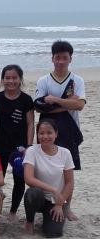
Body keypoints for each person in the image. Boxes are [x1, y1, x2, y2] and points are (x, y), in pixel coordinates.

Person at [35, 40, 86, 221]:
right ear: (52, 58)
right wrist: (67, 102)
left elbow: (79, 105)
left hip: (70, 130)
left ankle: (67, 207)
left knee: (67, 172)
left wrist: (54, 100)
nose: (61, 61)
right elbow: (40, 107)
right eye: (58, 58)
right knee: (43, 168)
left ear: (70, 59)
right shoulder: (44, 80)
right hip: (46, 131)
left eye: (65, 58)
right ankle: (43, 204)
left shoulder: (77, 80)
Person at [0, 64, 34, 222]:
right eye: (7, 78)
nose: (11, 81)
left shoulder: (26, 99)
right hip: (1, 146)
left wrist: (28, 147)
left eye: (14, 78)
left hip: (19, 148)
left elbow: (30, 124)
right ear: (2, 79)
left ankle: (13, 211)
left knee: (19, 180)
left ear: (20, 79)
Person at [23, 119, 75, 237]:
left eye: (49, 133)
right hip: (40, 196)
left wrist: (59, 204)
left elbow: (70, 182)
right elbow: (28, 179)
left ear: (56, 134)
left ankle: (53, 217)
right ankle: (29, 221)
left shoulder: (65, 153)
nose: (45, 136)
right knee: (31, 193)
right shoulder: (32, 151)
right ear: (37, 135)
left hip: (56, 200)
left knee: (53, 233)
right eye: (41, 133)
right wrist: (53, 189)